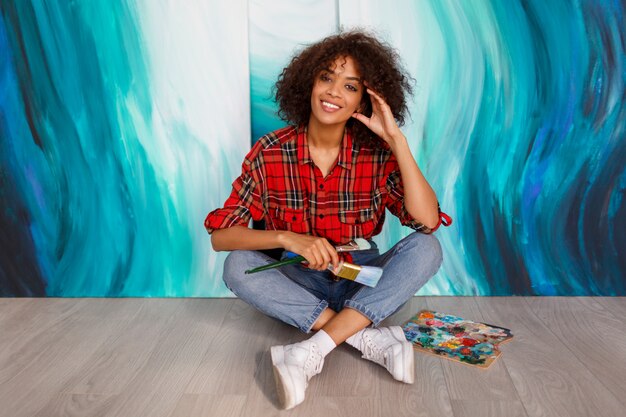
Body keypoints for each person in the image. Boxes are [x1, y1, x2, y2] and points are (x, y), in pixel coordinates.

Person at [204, 30, 451, 410]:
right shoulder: (270, 152)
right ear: (308, 83)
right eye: (326, 78)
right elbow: (221, 237)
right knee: (237, 265)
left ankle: (311, 351)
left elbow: (428, 220)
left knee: (427, 248)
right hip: (298, 280)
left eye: (350, 86)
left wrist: (397, 141)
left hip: (363, 279)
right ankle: (363, 336)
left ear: (363, 100)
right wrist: (288, 238)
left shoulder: (377, 154)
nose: (334, 91)